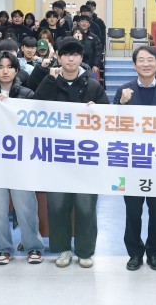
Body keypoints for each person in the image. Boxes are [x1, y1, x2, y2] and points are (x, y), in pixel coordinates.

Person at [33, 38, 109, 268]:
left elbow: (107, 119)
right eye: (66, 55)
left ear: (81, 58)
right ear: (59, 57)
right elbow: (35, 110)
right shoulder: (50, 83)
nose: (71, 59)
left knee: (86, 207)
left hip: (86, 158)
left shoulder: (93, 86)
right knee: (57, 206)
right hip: (57, 157)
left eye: (75, 55)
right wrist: (49, 79)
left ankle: (85, 251)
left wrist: (97, 112)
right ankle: (63, 249)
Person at [0, 51, 46, 265]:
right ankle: (4, 249)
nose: (5, 71)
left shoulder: (27, 94)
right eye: (0, 67)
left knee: (26, 207)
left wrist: (10, 106)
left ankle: (33, 247)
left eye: (9, 67)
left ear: (17, 70)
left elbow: (36, 125)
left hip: (21, 160)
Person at [116, 46, 156, 271]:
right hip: (132, 161)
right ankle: (134, 253)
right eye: (141, 60)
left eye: (150, 60)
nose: (146, 64)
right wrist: (121, 104)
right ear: (134, 65)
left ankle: (154, 254)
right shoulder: (123, 91)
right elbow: (113, 125)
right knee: (133, 211)